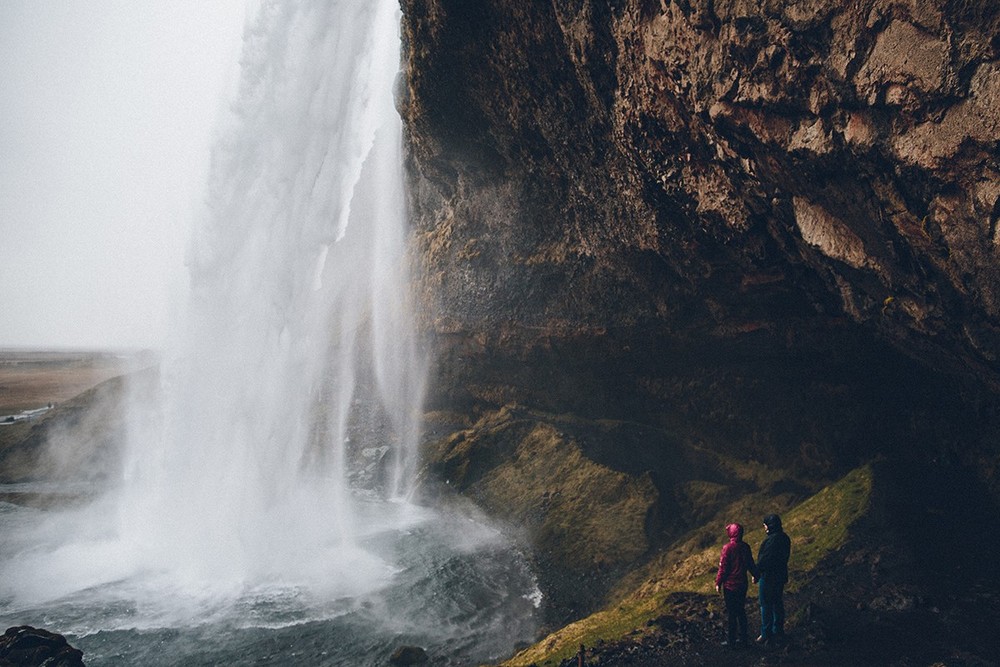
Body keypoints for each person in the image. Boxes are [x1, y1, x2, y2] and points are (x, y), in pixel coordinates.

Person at [715, 522, 755, 648]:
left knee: (732, 613)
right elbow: (750, 564)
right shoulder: (745, 547)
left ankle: (731, 641)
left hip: (730, 586)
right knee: (741, 611)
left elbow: (723, 568)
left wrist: (718, 582)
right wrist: (756, 575)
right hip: (742, 584)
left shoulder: (727, 548)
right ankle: (744, 639)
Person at [754, 513, 791, 646]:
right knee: (777, 602)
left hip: (769, 576)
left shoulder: (771, 540)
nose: (764, 528)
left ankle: (766, 633)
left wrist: (756, 573)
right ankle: (778, 630)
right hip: (780, 576)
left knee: (765, 604)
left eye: (765, 525)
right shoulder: (784, 538)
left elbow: (765, 560)